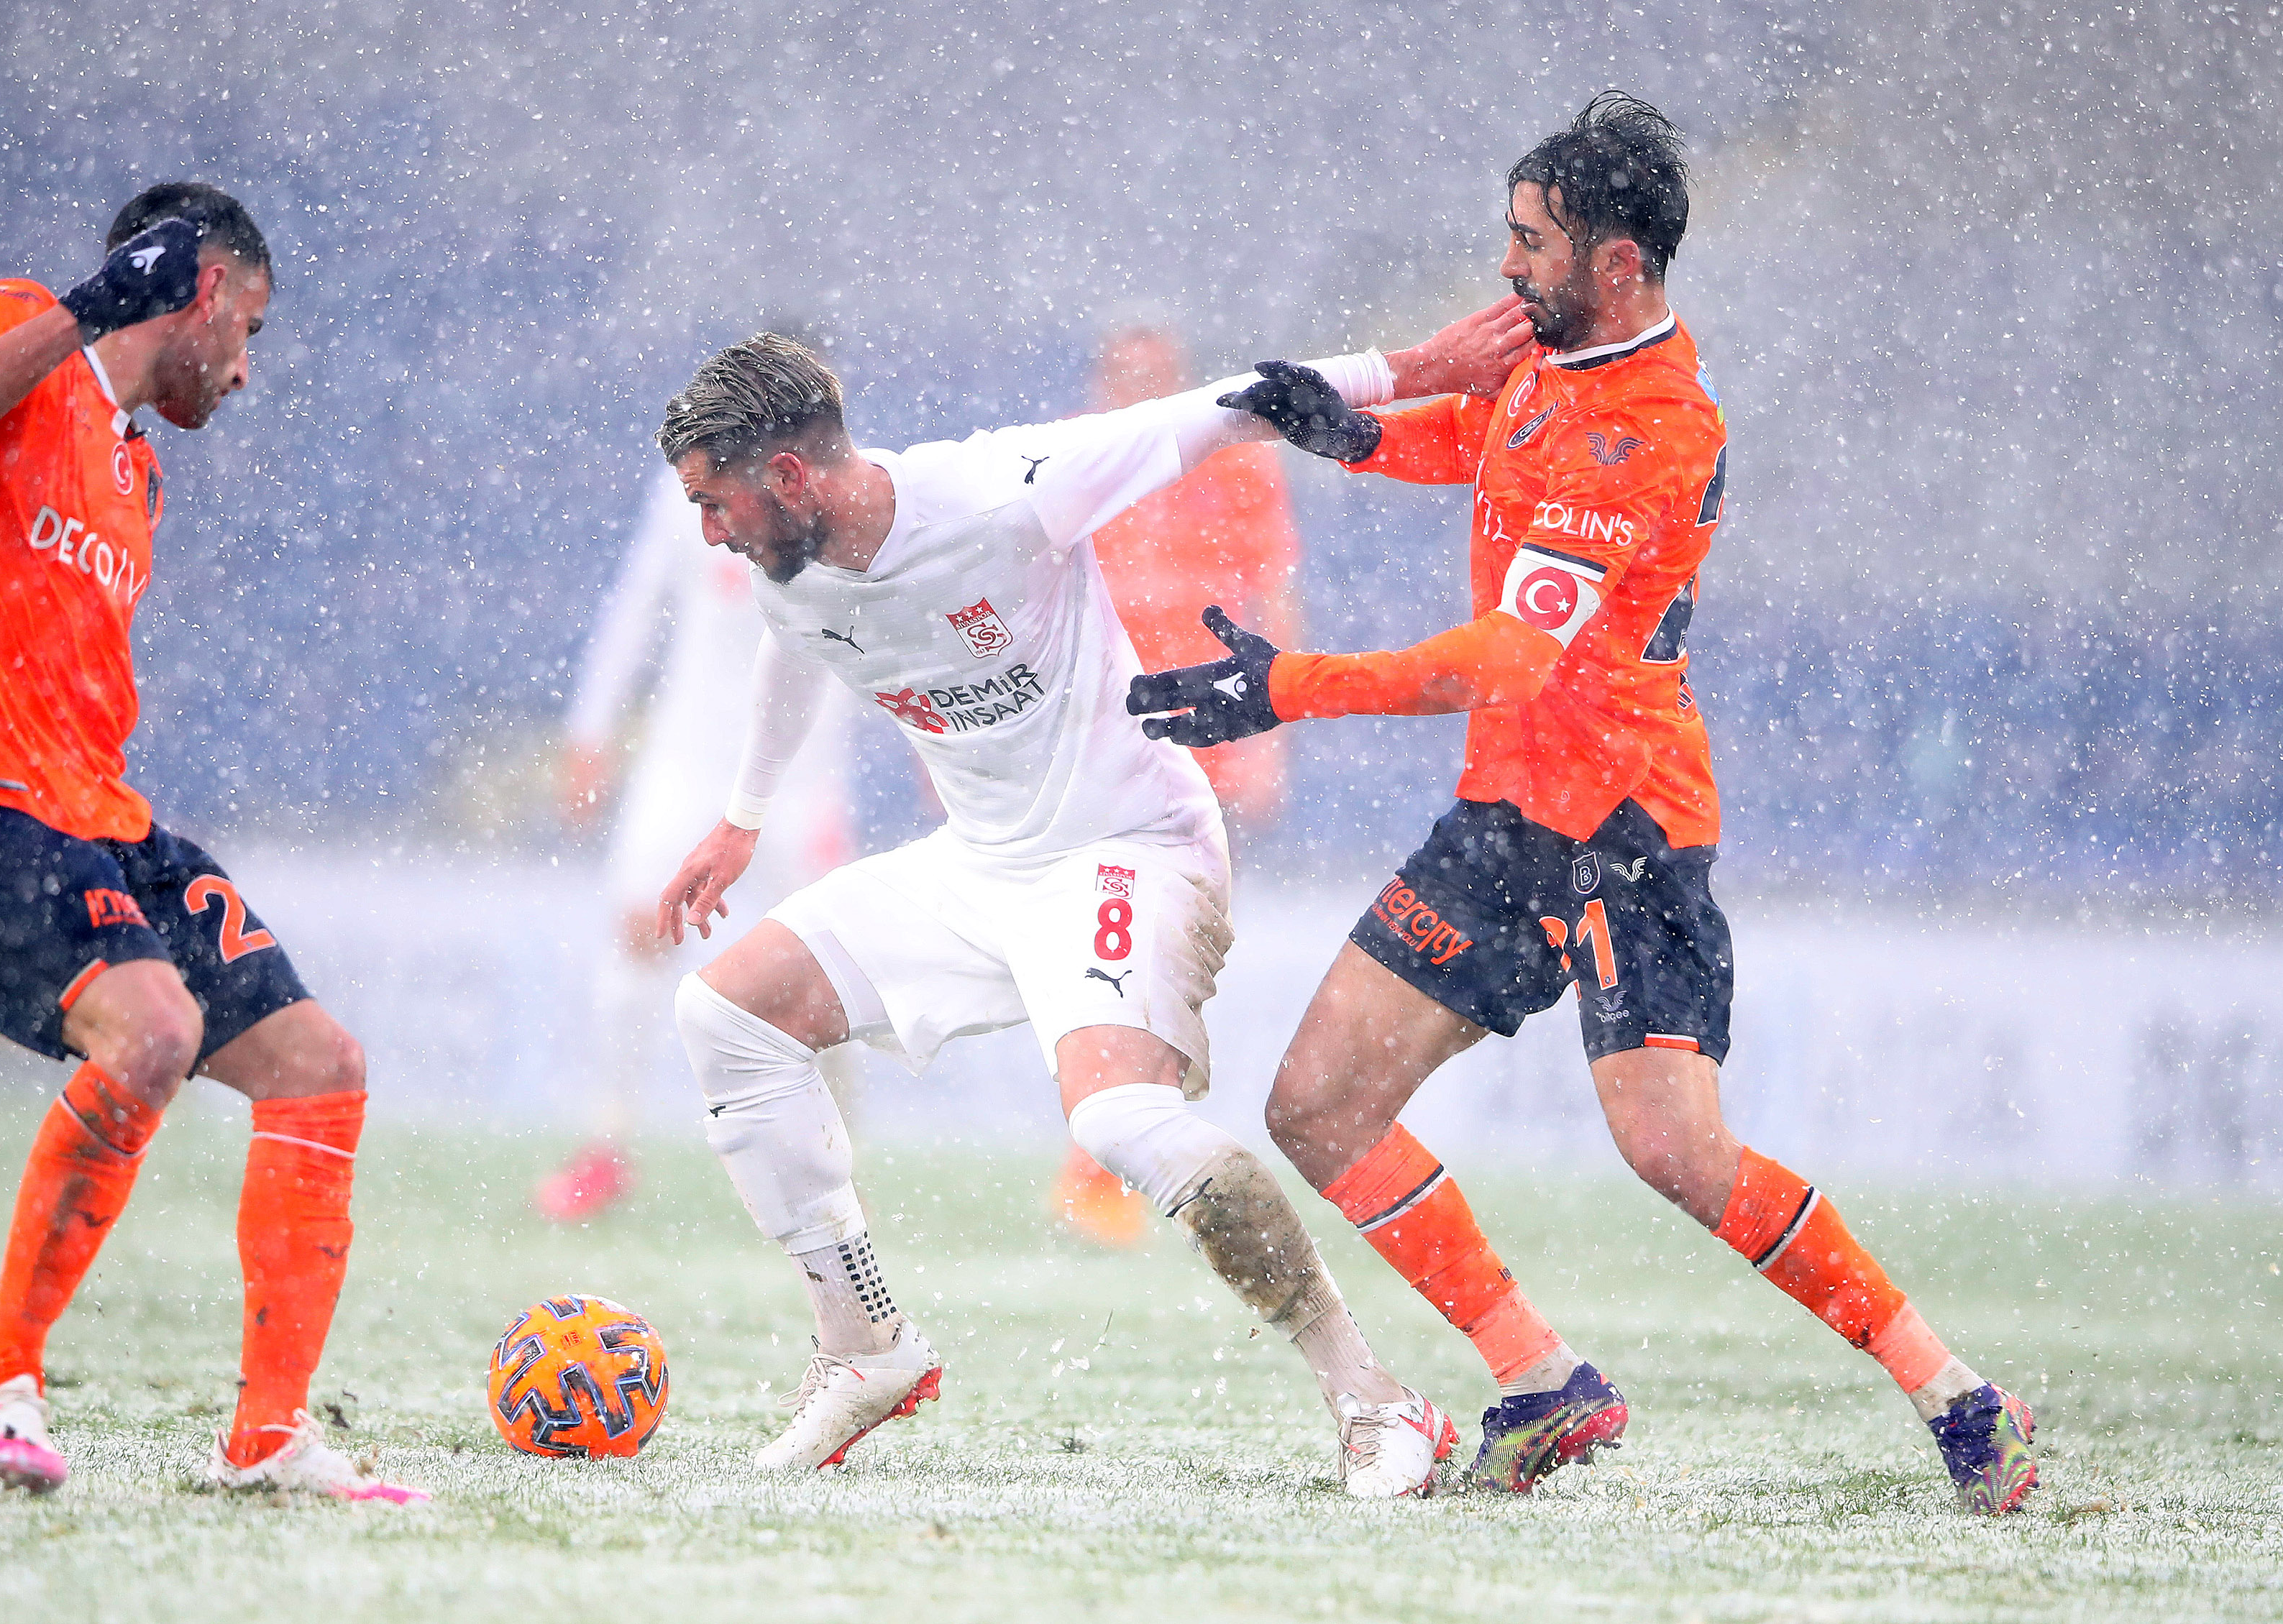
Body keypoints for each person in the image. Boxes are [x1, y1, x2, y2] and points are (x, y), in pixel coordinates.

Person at [1129, 93, 2038, 1513]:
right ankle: (1541, 1376)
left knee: (1678, 1153)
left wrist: (1287, 683)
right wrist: (1348, 432)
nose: (1507, 268)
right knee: (1316, 1106)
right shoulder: (1549, 359)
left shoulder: (1655, 426)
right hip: (1506, 815)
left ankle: (1962, 1396)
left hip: (1625, 829)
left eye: (1531, 242)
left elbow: (1510, 655)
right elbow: (1472, 441)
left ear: (1620, 261)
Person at [651, 318, 1527, 1495]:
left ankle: (1376, 1401)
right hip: (979, 864)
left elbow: (1227, 405)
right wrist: (741, 815)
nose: (708, 530)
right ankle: (864, 1344)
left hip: (1129, 848)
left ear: (791, 476)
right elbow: (792, 649)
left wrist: (1420, 368)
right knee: (724, 1015)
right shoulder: (789, 571)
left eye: (716, 501)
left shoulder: (991, 490)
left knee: (1119, 1119)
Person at [0, 182, 422, 1503]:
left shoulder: (135, 472)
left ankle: (268, 1438)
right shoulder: (9, 326)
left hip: (87, 812)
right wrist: (97, 301)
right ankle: (0, 1389)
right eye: (250, 328)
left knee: (319, 1066)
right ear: (201, 291)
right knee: (153, 1029)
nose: (246, 369)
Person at [539, 453, 858, 1222]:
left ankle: (842, 1167)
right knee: (638, 935)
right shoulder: (689, 486)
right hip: (687, 765)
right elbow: (640, 603)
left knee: (839, 963)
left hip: (801, 776)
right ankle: (605, 1145)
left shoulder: (850, 489)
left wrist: (927, 740)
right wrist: (591, 729)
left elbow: (890, 627)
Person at [1053, 316, 1307, 1247]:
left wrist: (1273, 729)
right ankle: (1112, 1152)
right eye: (1122, 376)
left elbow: (1274, 590)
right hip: (1102, 729)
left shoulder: (1231, 461)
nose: (1135, 393)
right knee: (1117, 942)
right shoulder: (1075, 459)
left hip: (1207, 728)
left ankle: (1114, 1152)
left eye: (1153, 377)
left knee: (1171, 947)